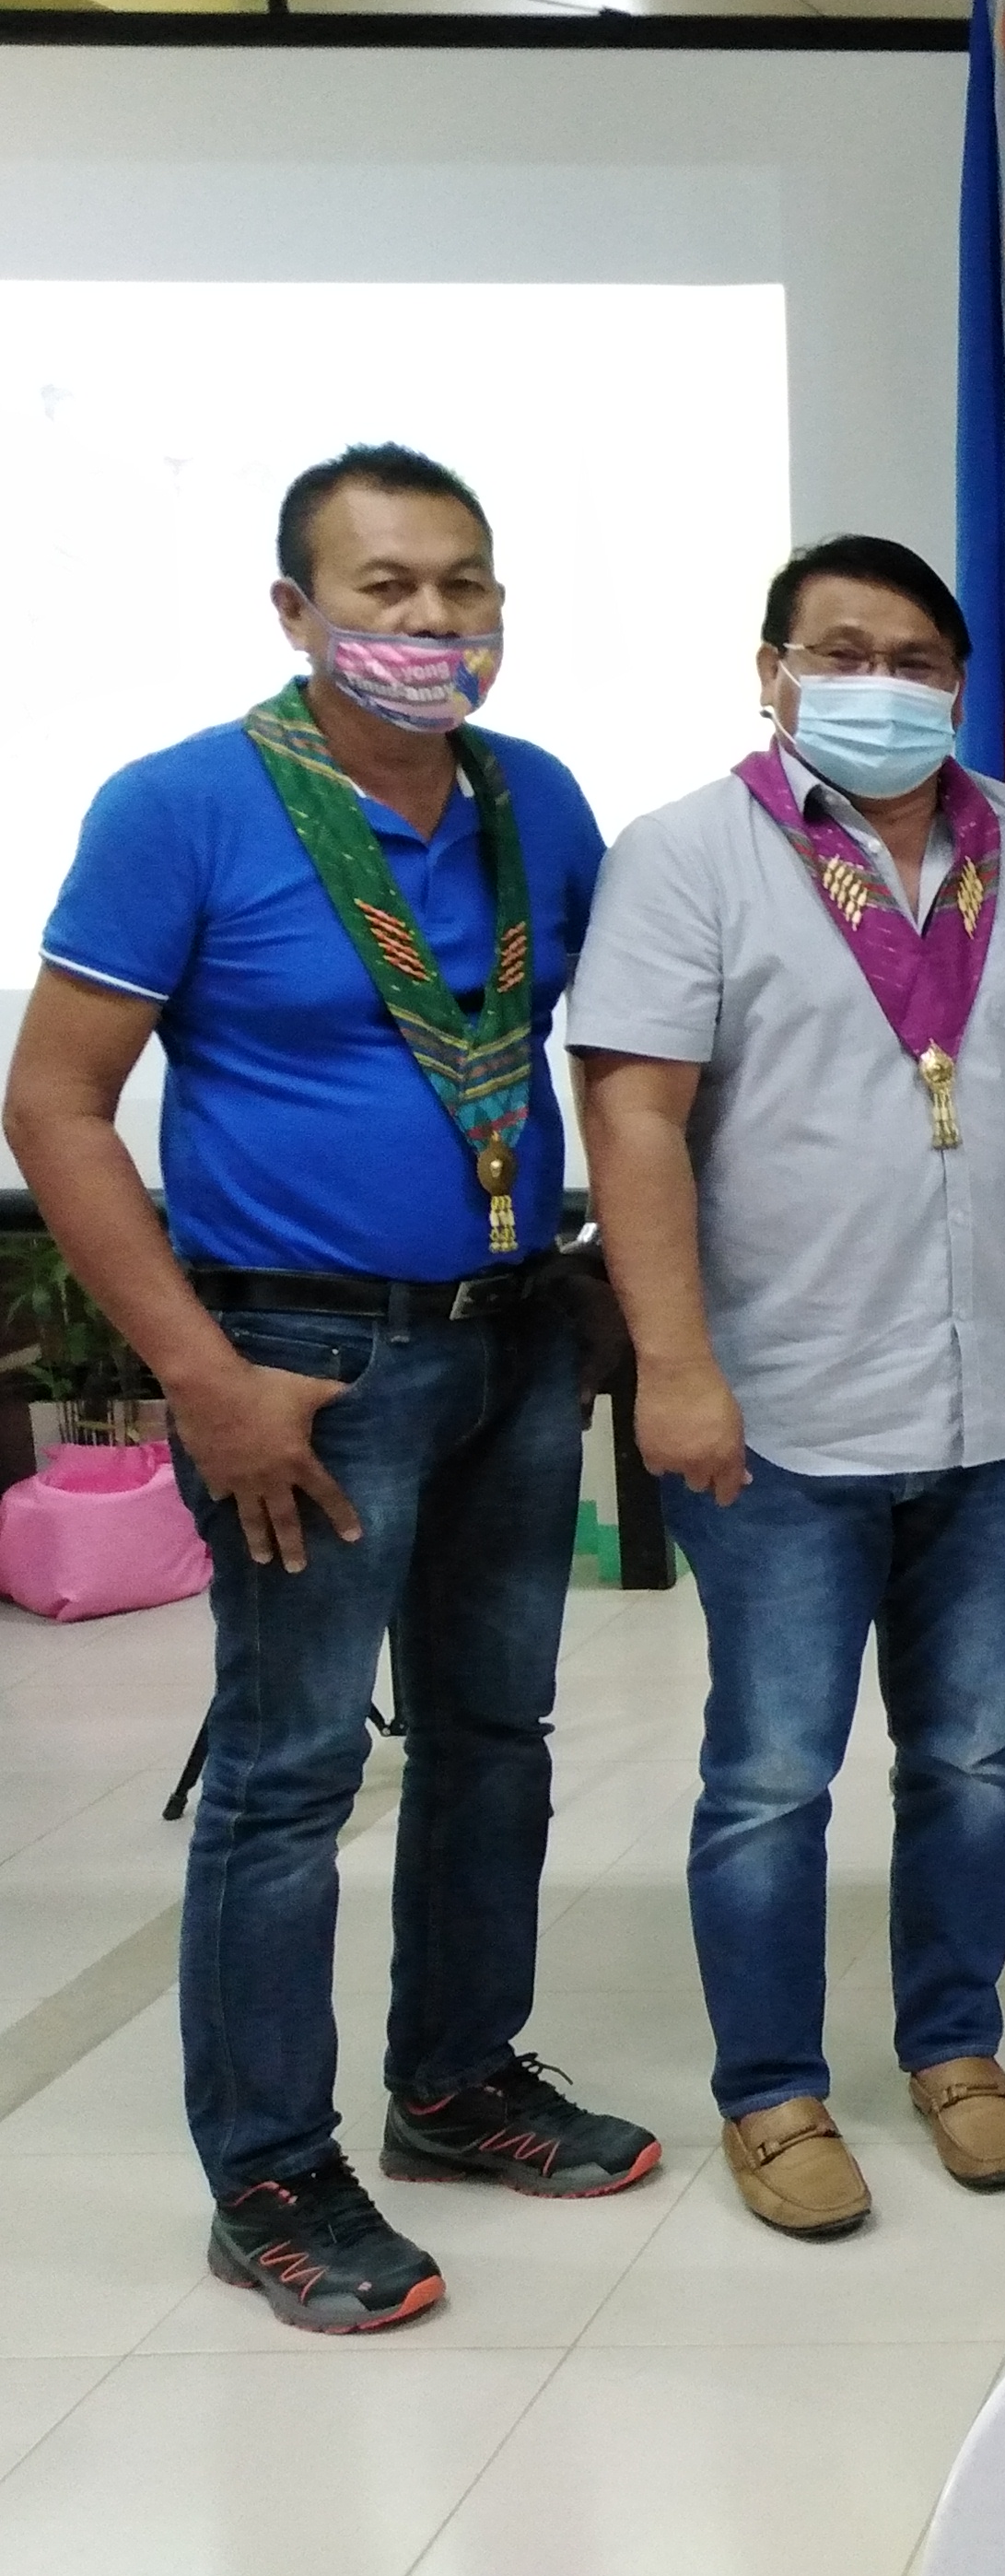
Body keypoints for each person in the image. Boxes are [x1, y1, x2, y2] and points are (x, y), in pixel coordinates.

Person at [1, 444, 657, 2335]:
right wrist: (202, 1379)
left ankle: (456, 2082)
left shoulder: (536, 802)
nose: (432, 620)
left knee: (494, 1736)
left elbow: (615, 1053)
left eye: (465, 585)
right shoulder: (184, 806)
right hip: (300, 1361)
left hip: (515, 1335)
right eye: (386, 588)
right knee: (290, 1778)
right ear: (296, 613)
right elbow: (51, 1105)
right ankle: (270, 2175)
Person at [567, 535, 1005, 2242]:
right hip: (777, 1420)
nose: (883, 686)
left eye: (917, 659)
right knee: (772, 1772)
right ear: (770, 671)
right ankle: (770, 2091)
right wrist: (674, 1370)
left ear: (957, 685)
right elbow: (633, 1119)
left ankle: (954, 2049)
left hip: (989, 1413)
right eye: (843, 651)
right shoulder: (689, 858)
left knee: (972, 1757)